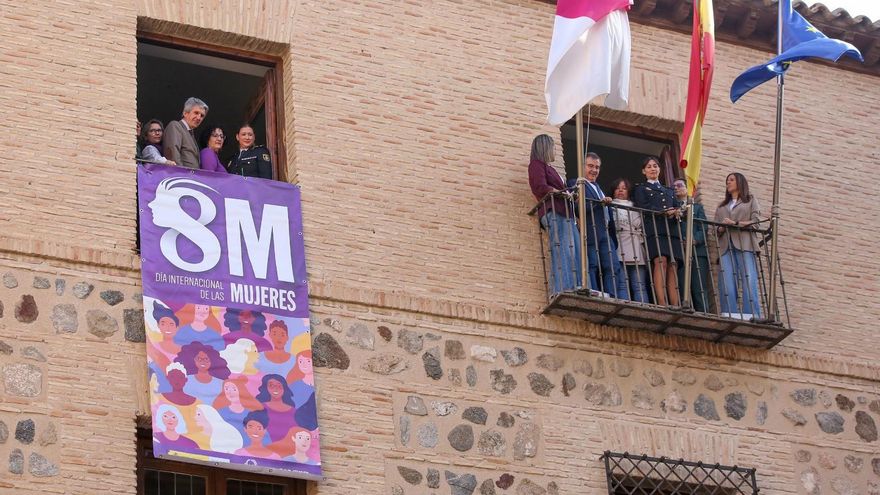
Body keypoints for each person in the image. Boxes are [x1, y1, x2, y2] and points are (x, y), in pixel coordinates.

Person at [527, 134, 581, 294]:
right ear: (544, 147)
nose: (555, 150)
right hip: (555, 211)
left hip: (565, 213)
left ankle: (576, 285)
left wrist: (571, 194)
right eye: (553, 147)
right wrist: (560, 192)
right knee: (563, 250)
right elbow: (540, 187)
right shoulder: (536, 164)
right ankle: (564, 288)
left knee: (574, 251)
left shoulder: (550, 168)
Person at [633, 157, 683, 306]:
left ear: (660, 169)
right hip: (655, 228)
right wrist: (663, 212)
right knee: (661, 261)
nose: (652, 169)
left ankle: (675, 304)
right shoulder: (641, 188)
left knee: (673, 265)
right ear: (644, 171)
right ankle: (662, 303)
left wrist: (678, 212)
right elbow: (643, 206)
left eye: (655, 166)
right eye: (649, 167)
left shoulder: (669, 190)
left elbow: (678, 206)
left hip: (672, 229)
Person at [714, 172, 763, 318]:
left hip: (745, 244)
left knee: (749, 278)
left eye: (731, 180)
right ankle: (729, 312)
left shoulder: (750, 200)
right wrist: (721, 228)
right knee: (726, 280)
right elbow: (714, 230)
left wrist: (735, 223)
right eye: (727, 180)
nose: (728, 182)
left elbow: (756, 222)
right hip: (725, 247)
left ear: (740, 182)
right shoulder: (721, 206)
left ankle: (751, 314)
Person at [580, 153, 627, 298]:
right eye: (590, 166)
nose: (594, 170)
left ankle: (611, 296)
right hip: (591, 229)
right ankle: (594, 294)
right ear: (582, 166)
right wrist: (599, 203)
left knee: (612, 266)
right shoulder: (577, 183)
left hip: (606, 232)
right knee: (592, 264)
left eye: (597, 167)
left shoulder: (598, 187)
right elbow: (578, 208)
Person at [673, 179, 712, 312]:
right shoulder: (673, 208)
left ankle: (704, 314)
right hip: (680, 252)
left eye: (679, 185)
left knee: (698, 286)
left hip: (697, 252)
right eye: (673, 186)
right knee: (681, 285)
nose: (676, 188)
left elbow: (703, 227)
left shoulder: (697, 208)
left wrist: (694, 240)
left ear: (687, 188)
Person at [609, 178, 649, 303]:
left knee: (640, 285)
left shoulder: (636, 207)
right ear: (613, 191)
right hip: (619, 244)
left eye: (624, 188)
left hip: (636, 246)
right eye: (618, 188)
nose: (621, 190)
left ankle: (643, 310)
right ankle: (624, 308)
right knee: (622, 284)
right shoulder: (609, 206)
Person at [164, 97, 208, 169]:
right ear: (185, 113)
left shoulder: (190, 133)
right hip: (180, 174)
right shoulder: (176, 126)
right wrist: (182, 173)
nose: (199, 118)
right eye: (196, 113)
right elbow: (172, 155)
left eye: (202, 115)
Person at [255, 374, 298, 442]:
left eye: (279, 386)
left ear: (284, 388)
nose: (275, 388)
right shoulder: (260, 408)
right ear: (266, 388)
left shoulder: (294, 412)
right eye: (271, 385)